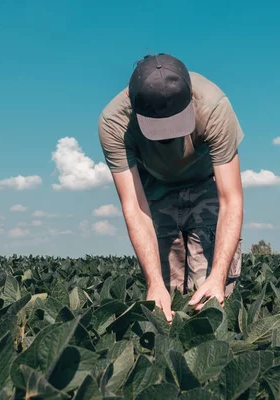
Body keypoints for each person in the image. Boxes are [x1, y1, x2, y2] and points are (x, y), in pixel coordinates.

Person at [98, 53, 244, 322]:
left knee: (211, 300)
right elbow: (133, 204)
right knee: (166, 301)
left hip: (205, 185)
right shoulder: (114, 122)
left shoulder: (213, 106)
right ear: (133, 102)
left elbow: (230, 198)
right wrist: (154, 283)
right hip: (155, 189)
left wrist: (218, 275)